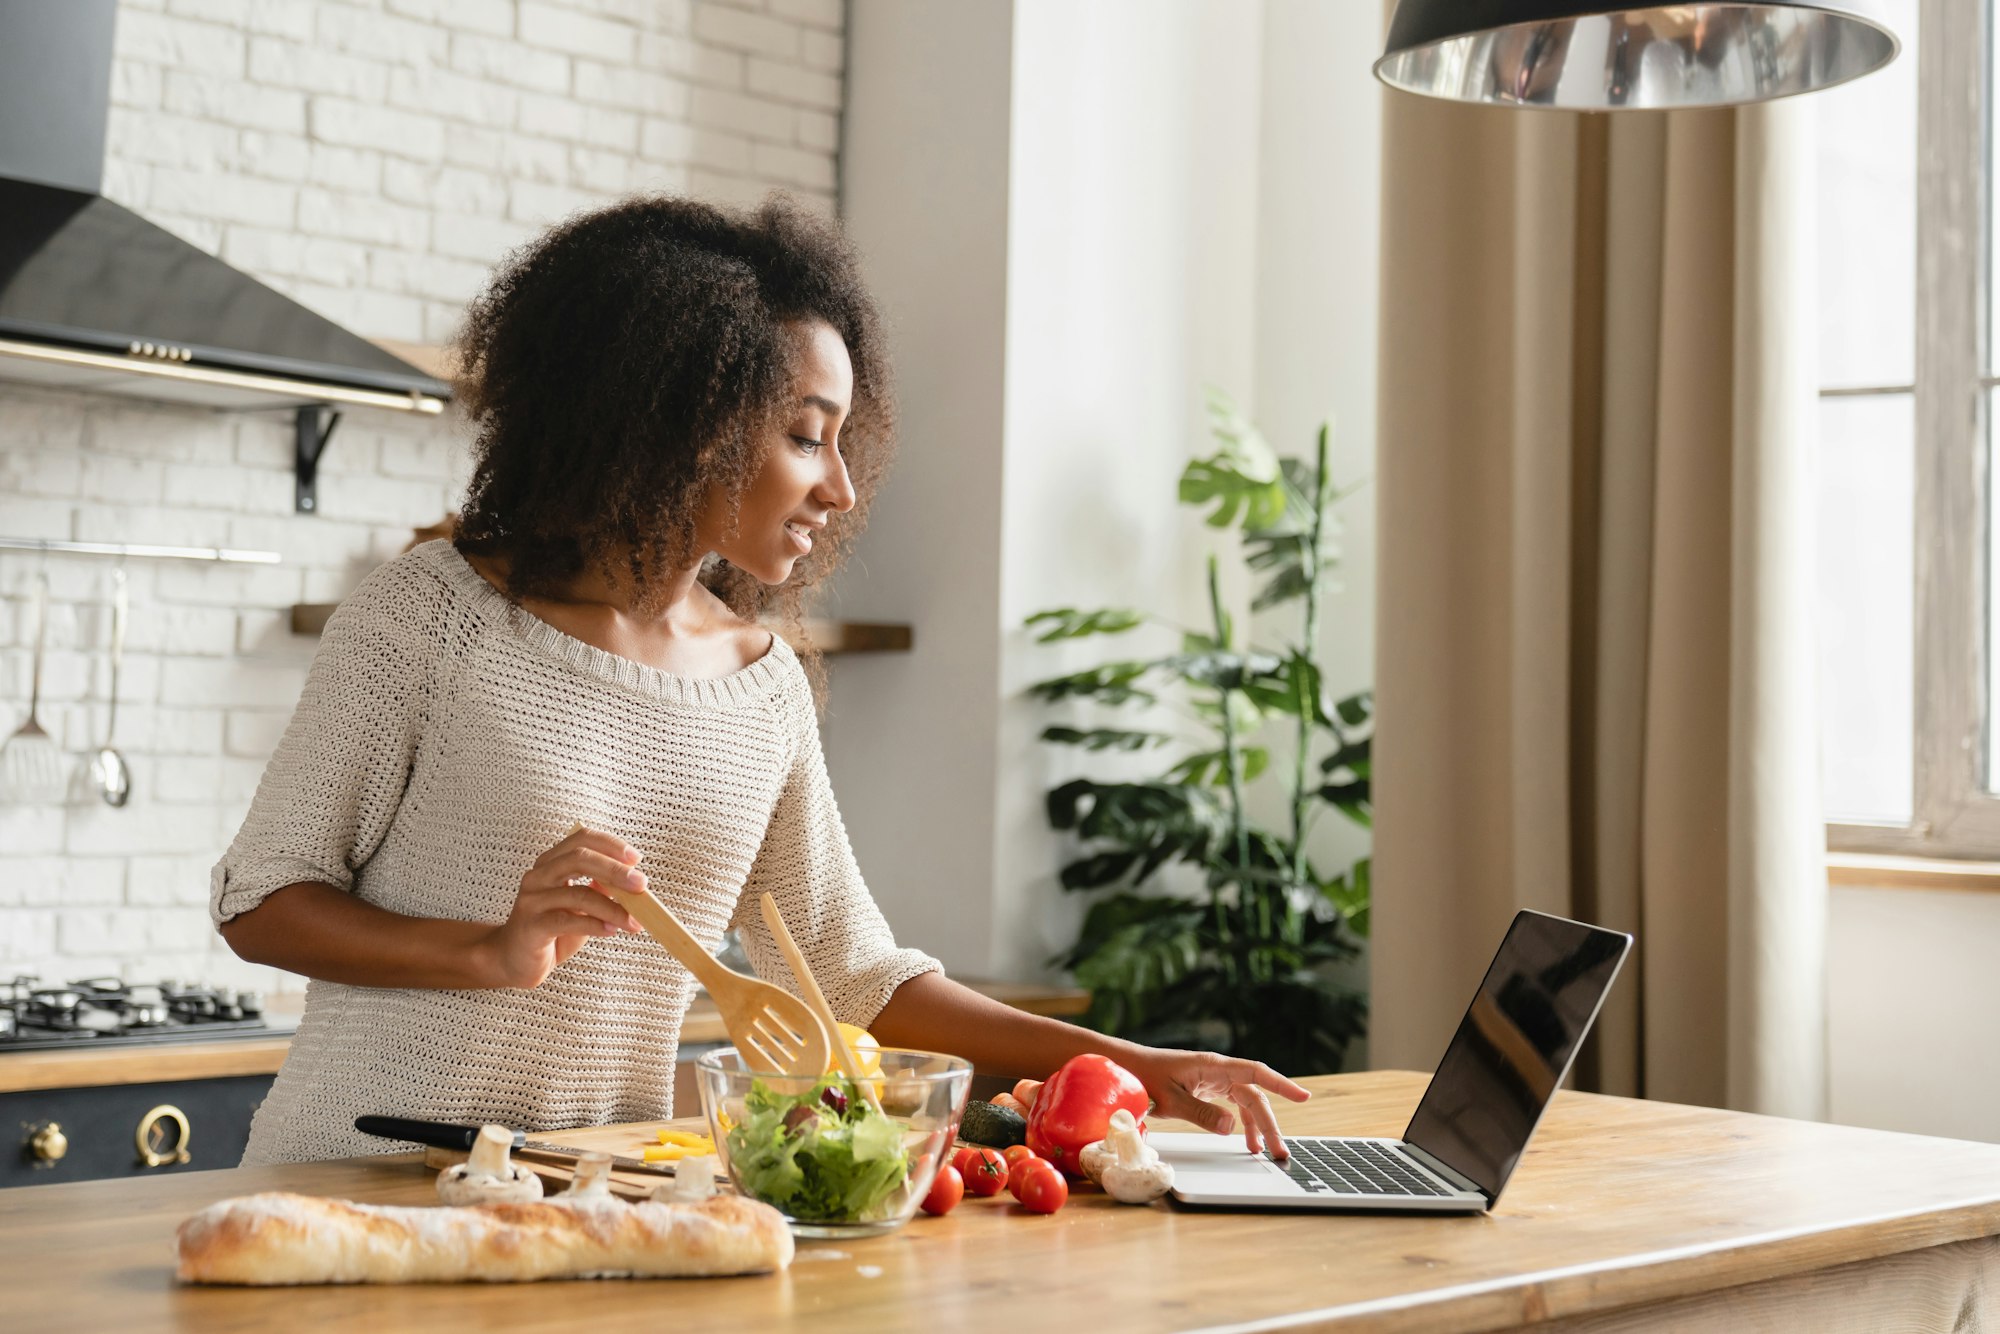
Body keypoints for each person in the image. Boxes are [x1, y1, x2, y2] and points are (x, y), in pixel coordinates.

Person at [213, 194, 1307, 1166]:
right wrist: (490, 950)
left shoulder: (761, 685)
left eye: (842, 442)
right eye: (802, 436)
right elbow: (261, 899)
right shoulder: (432, 617)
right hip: (357, 1179)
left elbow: (853, 978)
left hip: (591, 1196)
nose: (838, 485)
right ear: (678, 421)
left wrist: (1134, 1062)